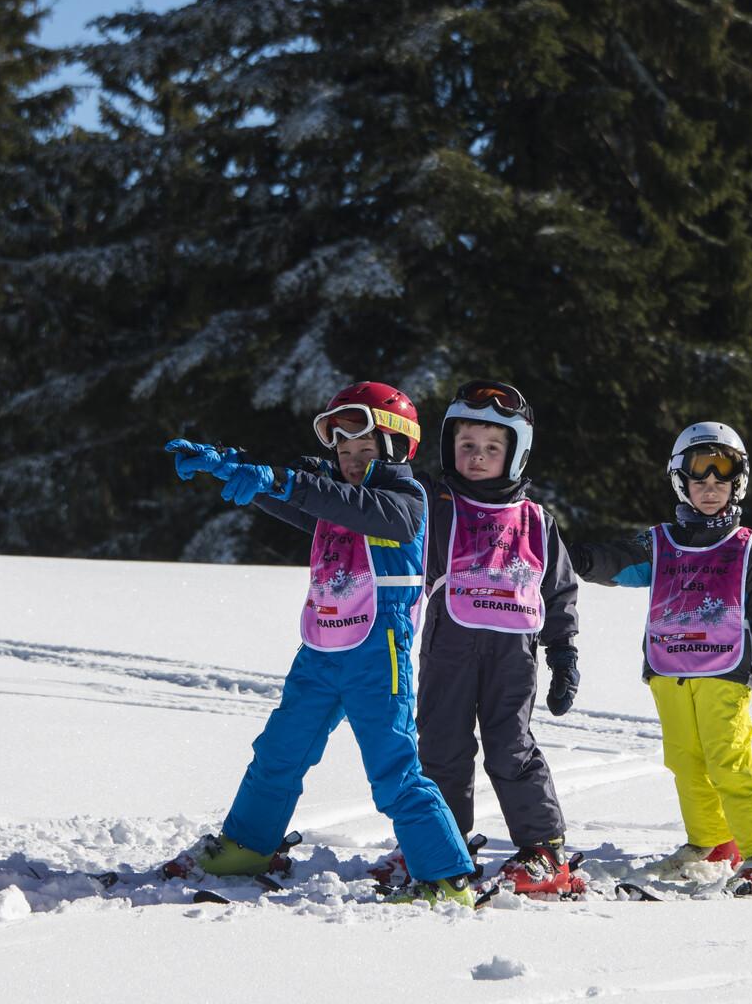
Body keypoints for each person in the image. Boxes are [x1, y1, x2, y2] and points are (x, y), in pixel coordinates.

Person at [163, 382, 478, 906]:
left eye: (364, 448)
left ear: (397, 447)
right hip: (322, 648)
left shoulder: (406, 502)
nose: (351, 460)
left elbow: (341, 501)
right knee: (279, 751)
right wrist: (230, 468)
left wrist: (283, 480)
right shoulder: (334, 496)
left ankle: (446, 877)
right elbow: (304, 497)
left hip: (378, 652)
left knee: (393, 768)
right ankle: (248, 845)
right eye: (344, 450)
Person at [569, 422, 752, 895]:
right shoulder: (659, 544)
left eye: (722, 476)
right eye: (700, 476)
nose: (711, 487)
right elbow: (618, 562)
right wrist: (579, 557)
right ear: (681, 481)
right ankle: (714, 841)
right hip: (670, 671)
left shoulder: (748, 547)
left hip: (725, 672)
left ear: (739, 481)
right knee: (685, 760)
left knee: (728, 761)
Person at [413, 380, 581, 897]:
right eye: (467, 445)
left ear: (516, 453)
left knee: (511, 748)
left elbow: (559, 591)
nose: (478, 456)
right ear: (450, 447)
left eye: (492, 447)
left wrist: (563, 653)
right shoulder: (434, 504)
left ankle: (544, 851)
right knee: (441, 746)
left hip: (513, 653)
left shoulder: (536, 521)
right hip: (449, 644)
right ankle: (442, 845)